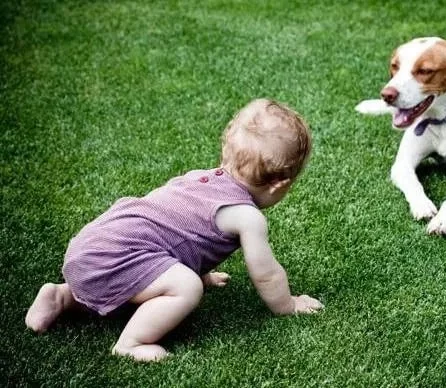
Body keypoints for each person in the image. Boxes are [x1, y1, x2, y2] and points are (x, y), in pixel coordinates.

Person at [25, 98, 323, 362]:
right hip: (116, 256)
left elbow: (177, 230)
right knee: (186, 286)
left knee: (130, 274)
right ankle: (131, 343)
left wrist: (202, 271)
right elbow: (266, 273)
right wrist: (288, 304)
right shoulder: (246, 216)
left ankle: (61, 297)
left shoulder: (200, 178)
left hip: (92, 247)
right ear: (279, 185)